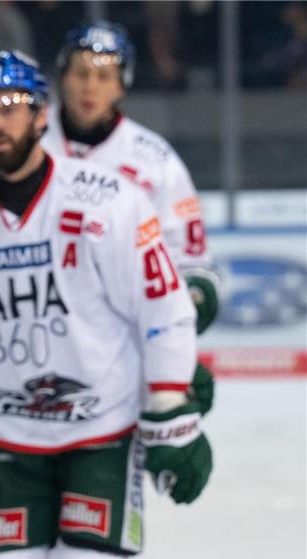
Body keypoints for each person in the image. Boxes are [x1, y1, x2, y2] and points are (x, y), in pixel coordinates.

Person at [0, 51, 213, 559]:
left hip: (101, 434)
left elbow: (164, 308)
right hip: (3, 439)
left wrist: (170, 409)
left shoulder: (109, 200)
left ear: (41, 114)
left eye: (10, 107)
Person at [42, 20, 220, 338]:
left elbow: (190, 259)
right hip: (37, 320)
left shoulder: (155, 160)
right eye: (81, 74)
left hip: (124, 331)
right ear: (62, 78)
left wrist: (190, 300)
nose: (90, 87)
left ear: (122, 85)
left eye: (104, 76)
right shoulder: (28, 144)